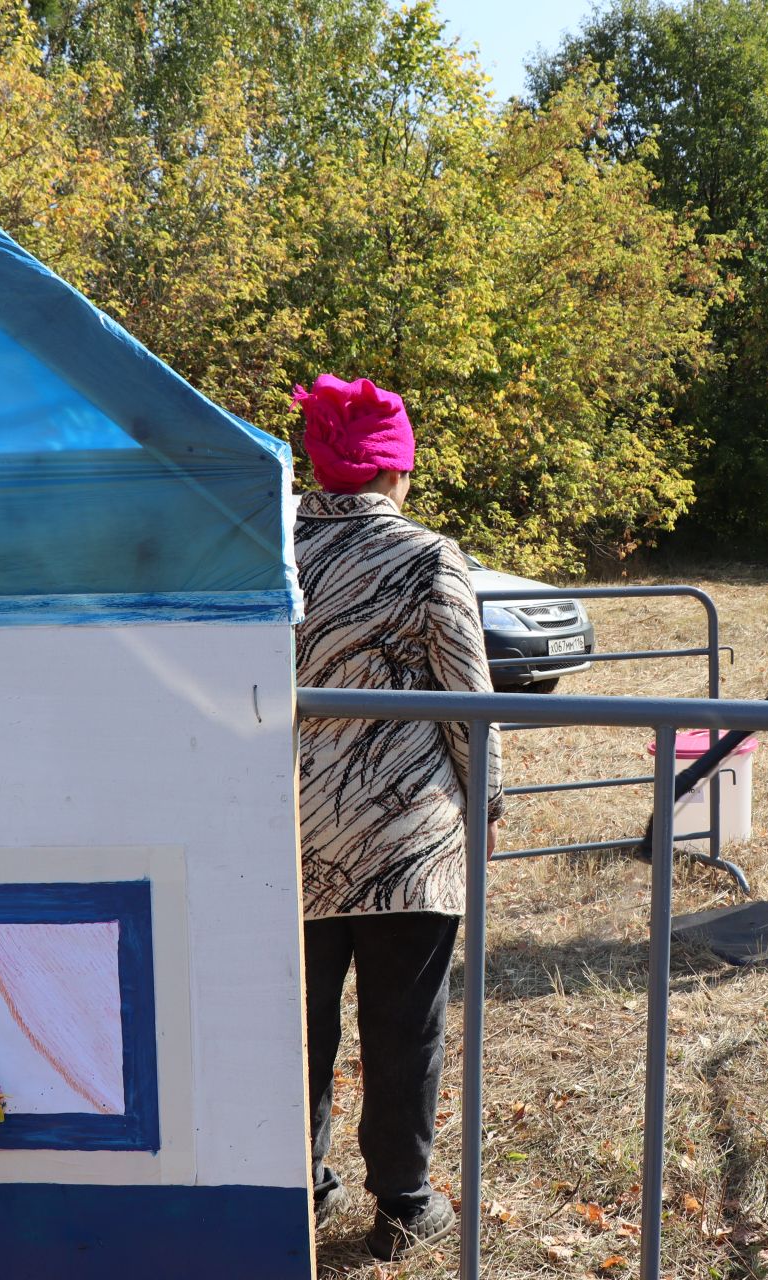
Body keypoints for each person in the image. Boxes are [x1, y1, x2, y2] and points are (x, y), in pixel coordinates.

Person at [292, 373, 503, 1260]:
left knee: (293, 1020)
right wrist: (486, 801)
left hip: (286, 827)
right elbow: (469, 701)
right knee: (403, 1021)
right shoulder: (426, 556)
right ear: (394, 472)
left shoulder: (264, 551)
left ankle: (295, 1184)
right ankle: (403, 1208)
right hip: (405, 838)